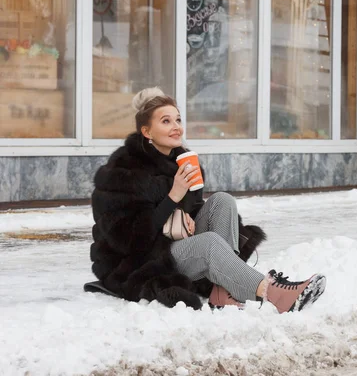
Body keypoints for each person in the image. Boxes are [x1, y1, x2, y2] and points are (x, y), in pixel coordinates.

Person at [89, 87, 326, 313]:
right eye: (166, 121)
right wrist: (174, 195)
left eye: (178, 120)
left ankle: (222, 292)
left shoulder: (182, 161)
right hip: (142, 262)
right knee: (210, 243)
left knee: (222, 201)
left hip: (174, 244)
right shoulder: (121, 173)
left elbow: (190, 210)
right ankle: (275, 294)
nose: (176, 127)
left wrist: (189, 215)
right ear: (147, 132)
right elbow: (130, 241)